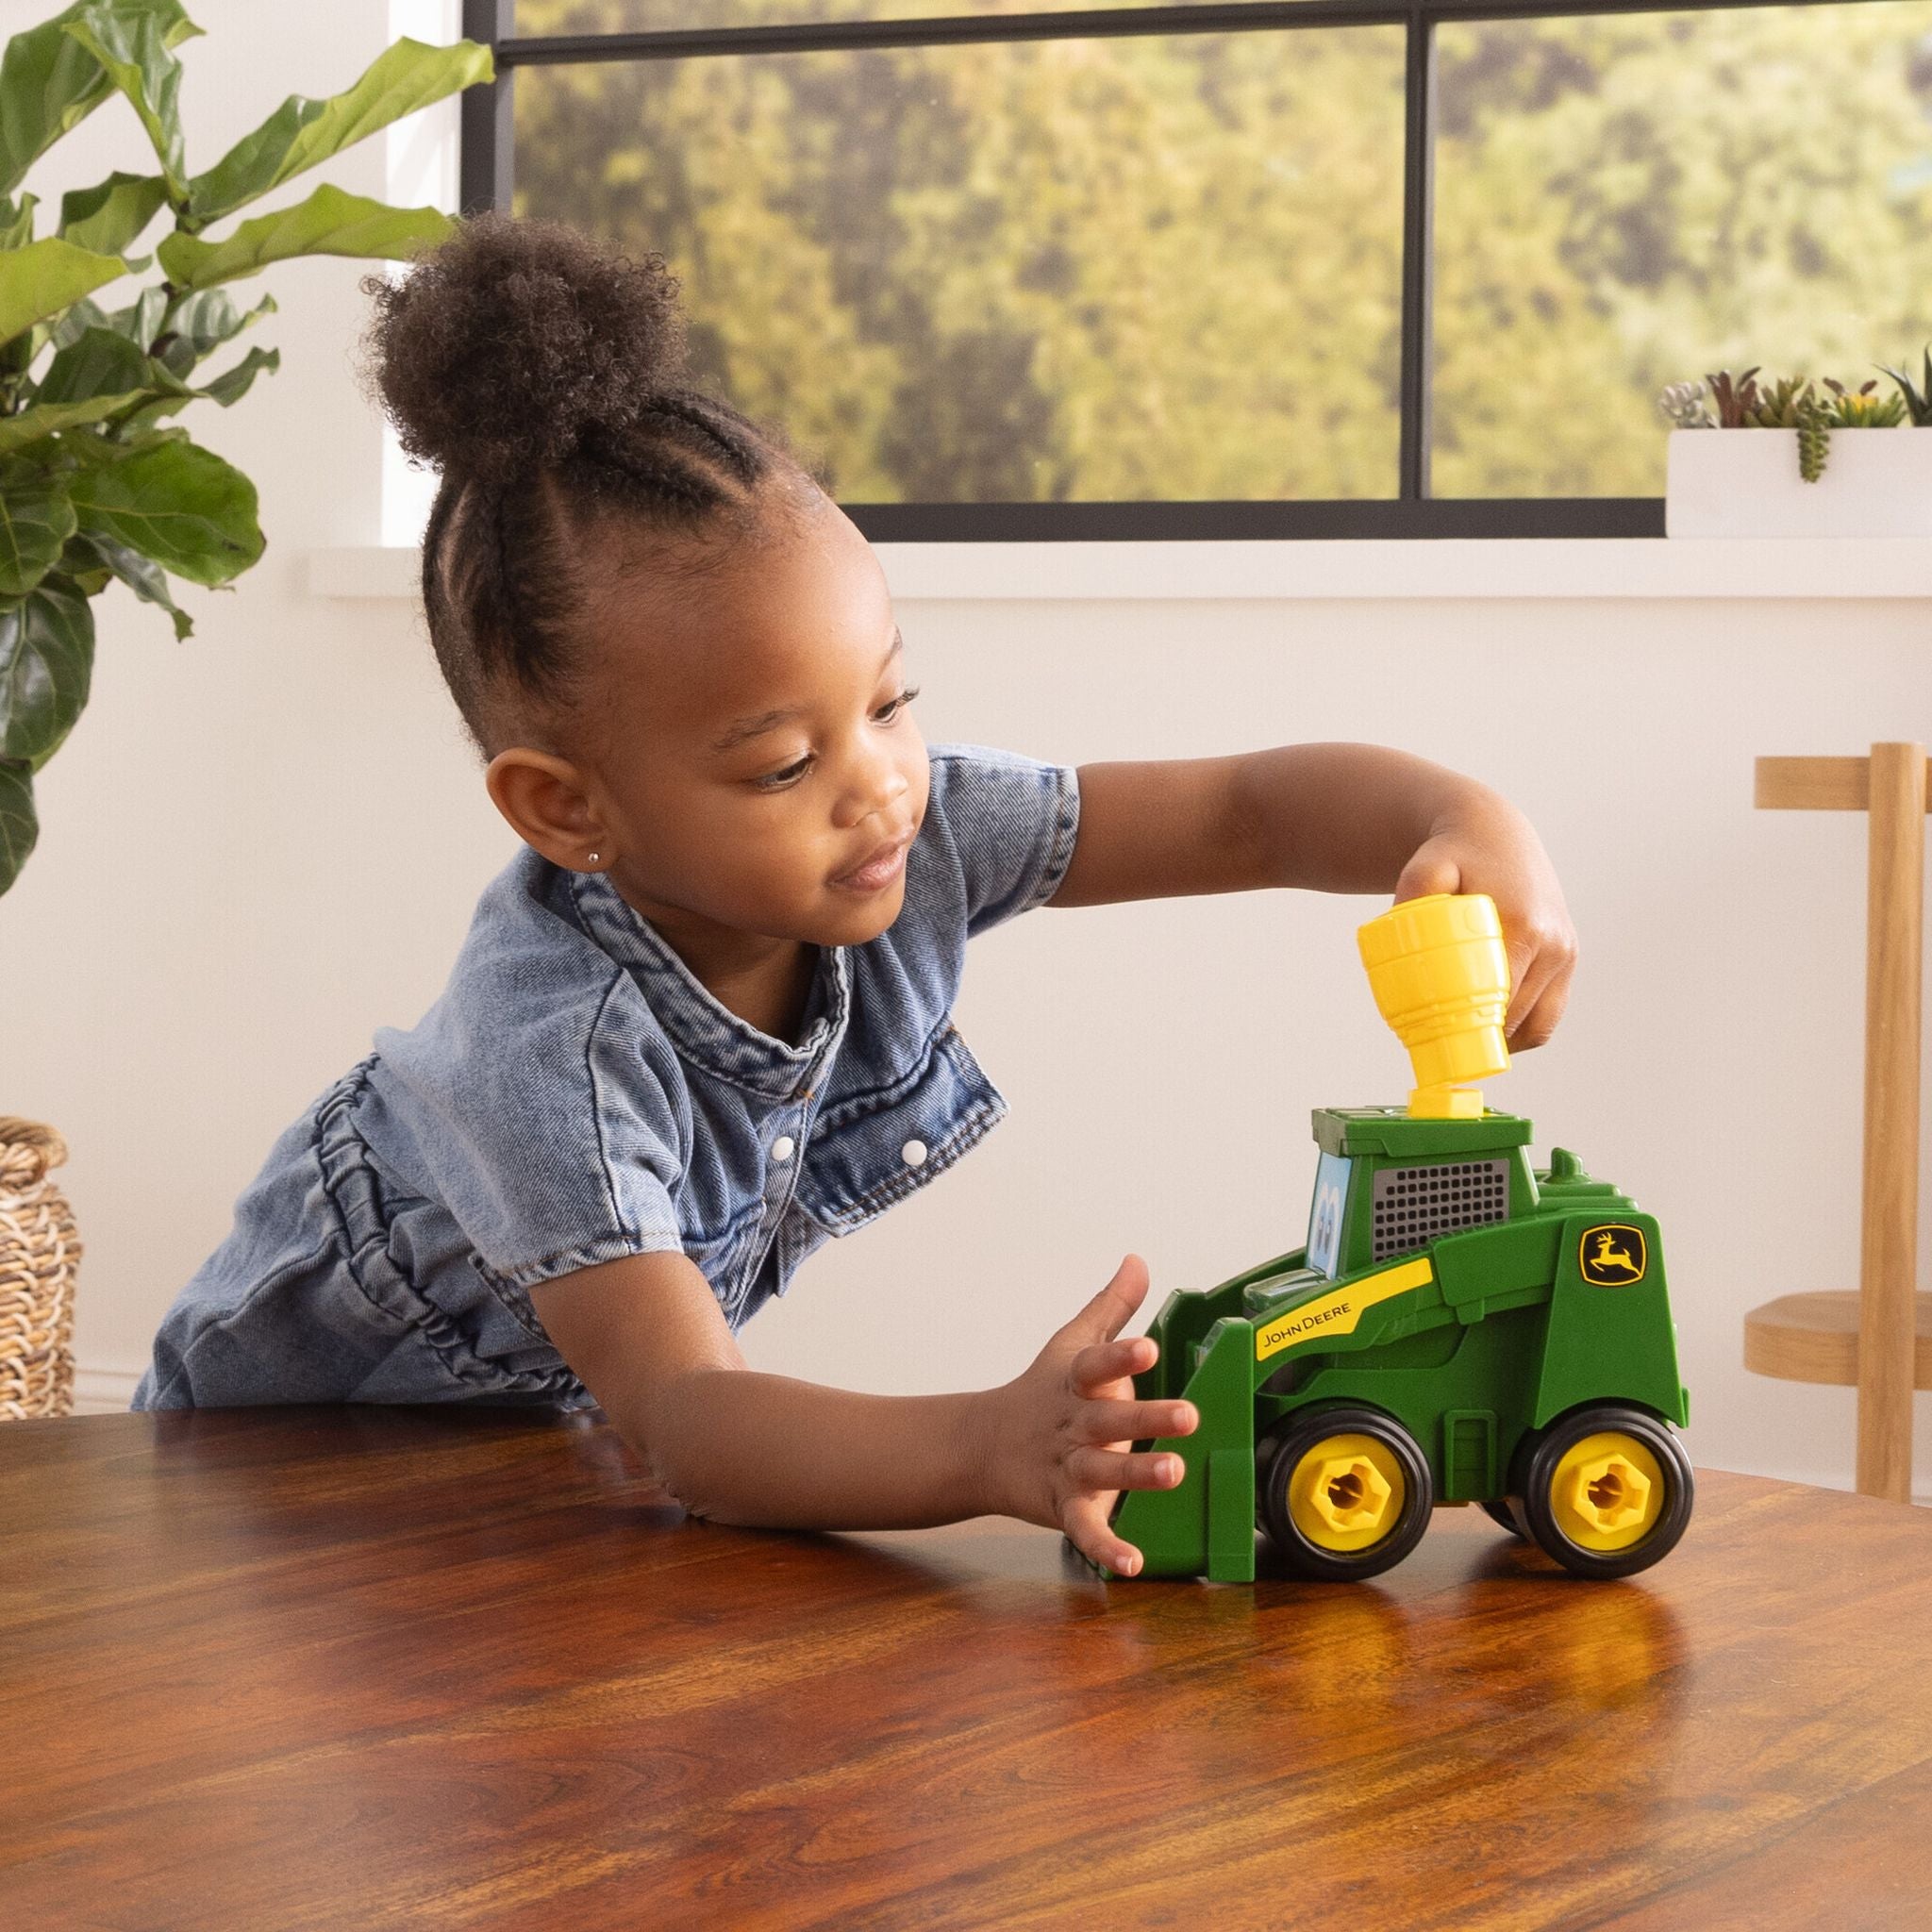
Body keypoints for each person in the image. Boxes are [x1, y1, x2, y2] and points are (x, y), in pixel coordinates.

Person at [132, 213, 1577, 1577]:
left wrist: (1463, 814)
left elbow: (1241, 813)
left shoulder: (911, 827)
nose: (879, 782)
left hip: (536, 1476)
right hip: (254, 1512)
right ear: (567, 807)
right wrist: (985, 1444)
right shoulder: (547, 1060)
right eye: (781, 765)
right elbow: (694, 1422)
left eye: (890, 700)